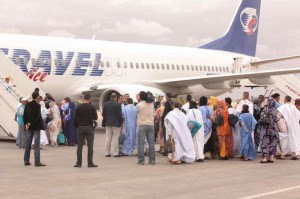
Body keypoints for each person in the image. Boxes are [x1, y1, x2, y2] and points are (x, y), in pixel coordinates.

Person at [73, 94, 98, 168]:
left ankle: (78, 163)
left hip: (80, 127)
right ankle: (90, 163)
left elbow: (74, 118)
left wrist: (77, 126)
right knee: (90, 146)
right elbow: (96, 117)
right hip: (89, 127)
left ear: (83, 99)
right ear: (90, 99)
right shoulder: (92, 107)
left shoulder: (79, 107)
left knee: (79, 146)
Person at [23, 91, 46, 167]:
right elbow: (36, 117)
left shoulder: (27, 104)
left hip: (29, 127)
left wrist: (26, 123)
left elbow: (24, 115)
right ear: (37, 97)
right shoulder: (38, 105)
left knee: (28, 144)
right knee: (36, 145)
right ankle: (37, 162)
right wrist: (31, 123)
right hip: (36, 127)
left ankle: (26, 161)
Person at [136, 91, 155, 165]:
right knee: (151, 144)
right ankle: (152, 160)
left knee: (141, 144)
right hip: (151, 124)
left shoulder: (139, 105)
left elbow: (136, 113)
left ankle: (141, 160)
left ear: (140, 97)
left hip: (142, 124)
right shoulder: (151, 104)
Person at [102, 93, 123, 157]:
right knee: (115, 138)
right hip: (116, 123)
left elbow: (103, 114)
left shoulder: (105, 104)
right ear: (116, 97)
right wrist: (121, 122)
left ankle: (107, 153)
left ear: (110, 97)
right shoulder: (118, 105)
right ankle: (115, 153)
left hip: (108, 122)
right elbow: (120, 115)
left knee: (108, 137)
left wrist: (106, 120)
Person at [259, 98, 279, 163]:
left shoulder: (265, 109)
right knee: (273, 143)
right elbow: (277, 119)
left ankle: (265, 158)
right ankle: (272, 157)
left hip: (266, 129)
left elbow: (261, 117)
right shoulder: (275, 110)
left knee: (264, 143)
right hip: (274, 129)